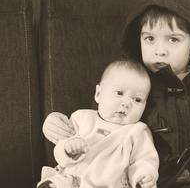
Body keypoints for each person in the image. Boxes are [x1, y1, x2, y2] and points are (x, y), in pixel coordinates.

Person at [42, 0, 190, 187]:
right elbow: (99, 122)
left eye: (173, 39)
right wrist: (56, 123)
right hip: (158, 180)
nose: (159, 51)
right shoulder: (134, 84)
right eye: (149, 39)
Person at [38, 59, 159, 188]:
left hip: (111, 184)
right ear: (98, 94)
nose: (127, 103)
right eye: (119, 93)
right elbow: (60, 151)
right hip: (72, 180)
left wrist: (145, 175)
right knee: (56, 183)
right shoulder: (81, 118)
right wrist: (68, 148)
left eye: (137, 99)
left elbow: (145, 159)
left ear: (145, 106)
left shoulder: (137, 131)